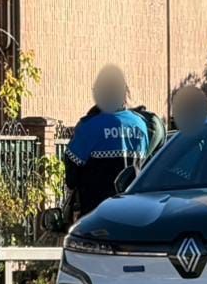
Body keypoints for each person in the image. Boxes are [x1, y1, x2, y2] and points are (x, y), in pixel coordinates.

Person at [62, 65, 153, 222]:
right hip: (134, 212)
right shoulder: (140, 125)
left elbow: (72, 168)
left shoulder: (90, 127)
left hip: (97, 213)